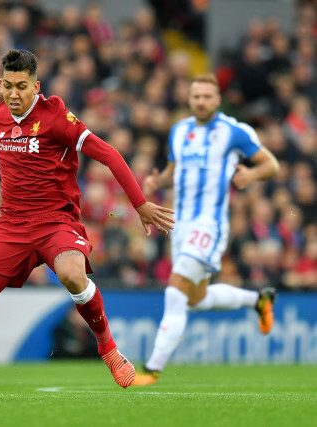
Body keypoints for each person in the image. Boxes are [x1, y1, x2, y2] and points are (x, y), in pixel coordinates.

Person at [0, 49, 175, 399]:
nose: (14, 94)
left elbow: (108, 153)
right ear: (0, 84)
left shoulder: (56, 116)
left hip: (57, 219)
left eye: (22, 87)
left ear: (36, 86)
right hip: (12, 223)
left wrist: (140, 204)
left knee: (74, 275)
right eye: (8, 86)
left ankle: (109, 350)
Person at [133, 74, 280, 386]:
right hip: (181, 226)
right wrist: (157, 182)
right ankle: (258, 301)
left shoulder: (233, 132)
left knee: (175, 290)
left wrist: (252, 175)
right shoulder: (179, 130)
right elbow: (175, 172)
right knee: (195, 299)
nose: (200, 102)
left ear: (217, 99)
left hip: (209, 226)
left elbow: (272, 165)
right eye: (195, 96)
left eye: (207, 97)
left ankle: (151, 369)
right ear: (189, 99)